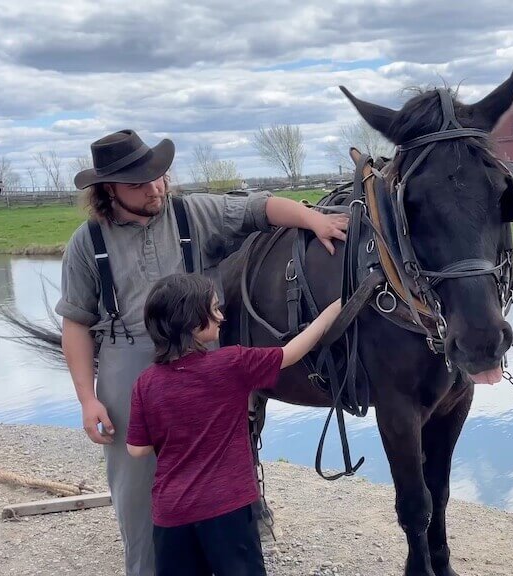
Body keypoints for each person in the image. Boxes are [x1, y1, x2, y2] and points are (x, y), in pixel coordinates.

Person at [55, 129, 348, 576]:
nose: (155, 188)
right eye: (139, 183)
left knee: (220, 471)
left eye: (158, 177)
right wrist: (87, 398)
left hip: (202, 356)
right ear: (108, 190)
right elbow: (75, 322)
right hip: (126, 356)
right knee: (137, 490)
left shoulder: (193, 213)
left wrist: (313, 220)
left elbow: (260, 208)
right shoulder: (86, 242)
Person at [126, 273, 341, 576]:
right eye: (212, 309)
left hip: (171, 512)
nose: (221, 316)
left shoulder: (145, 383)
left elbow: (137, 449)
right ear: (191, 321)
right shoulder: (231, 364)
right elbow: (291, 352)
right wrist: (333, 310)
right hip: (227, 507)